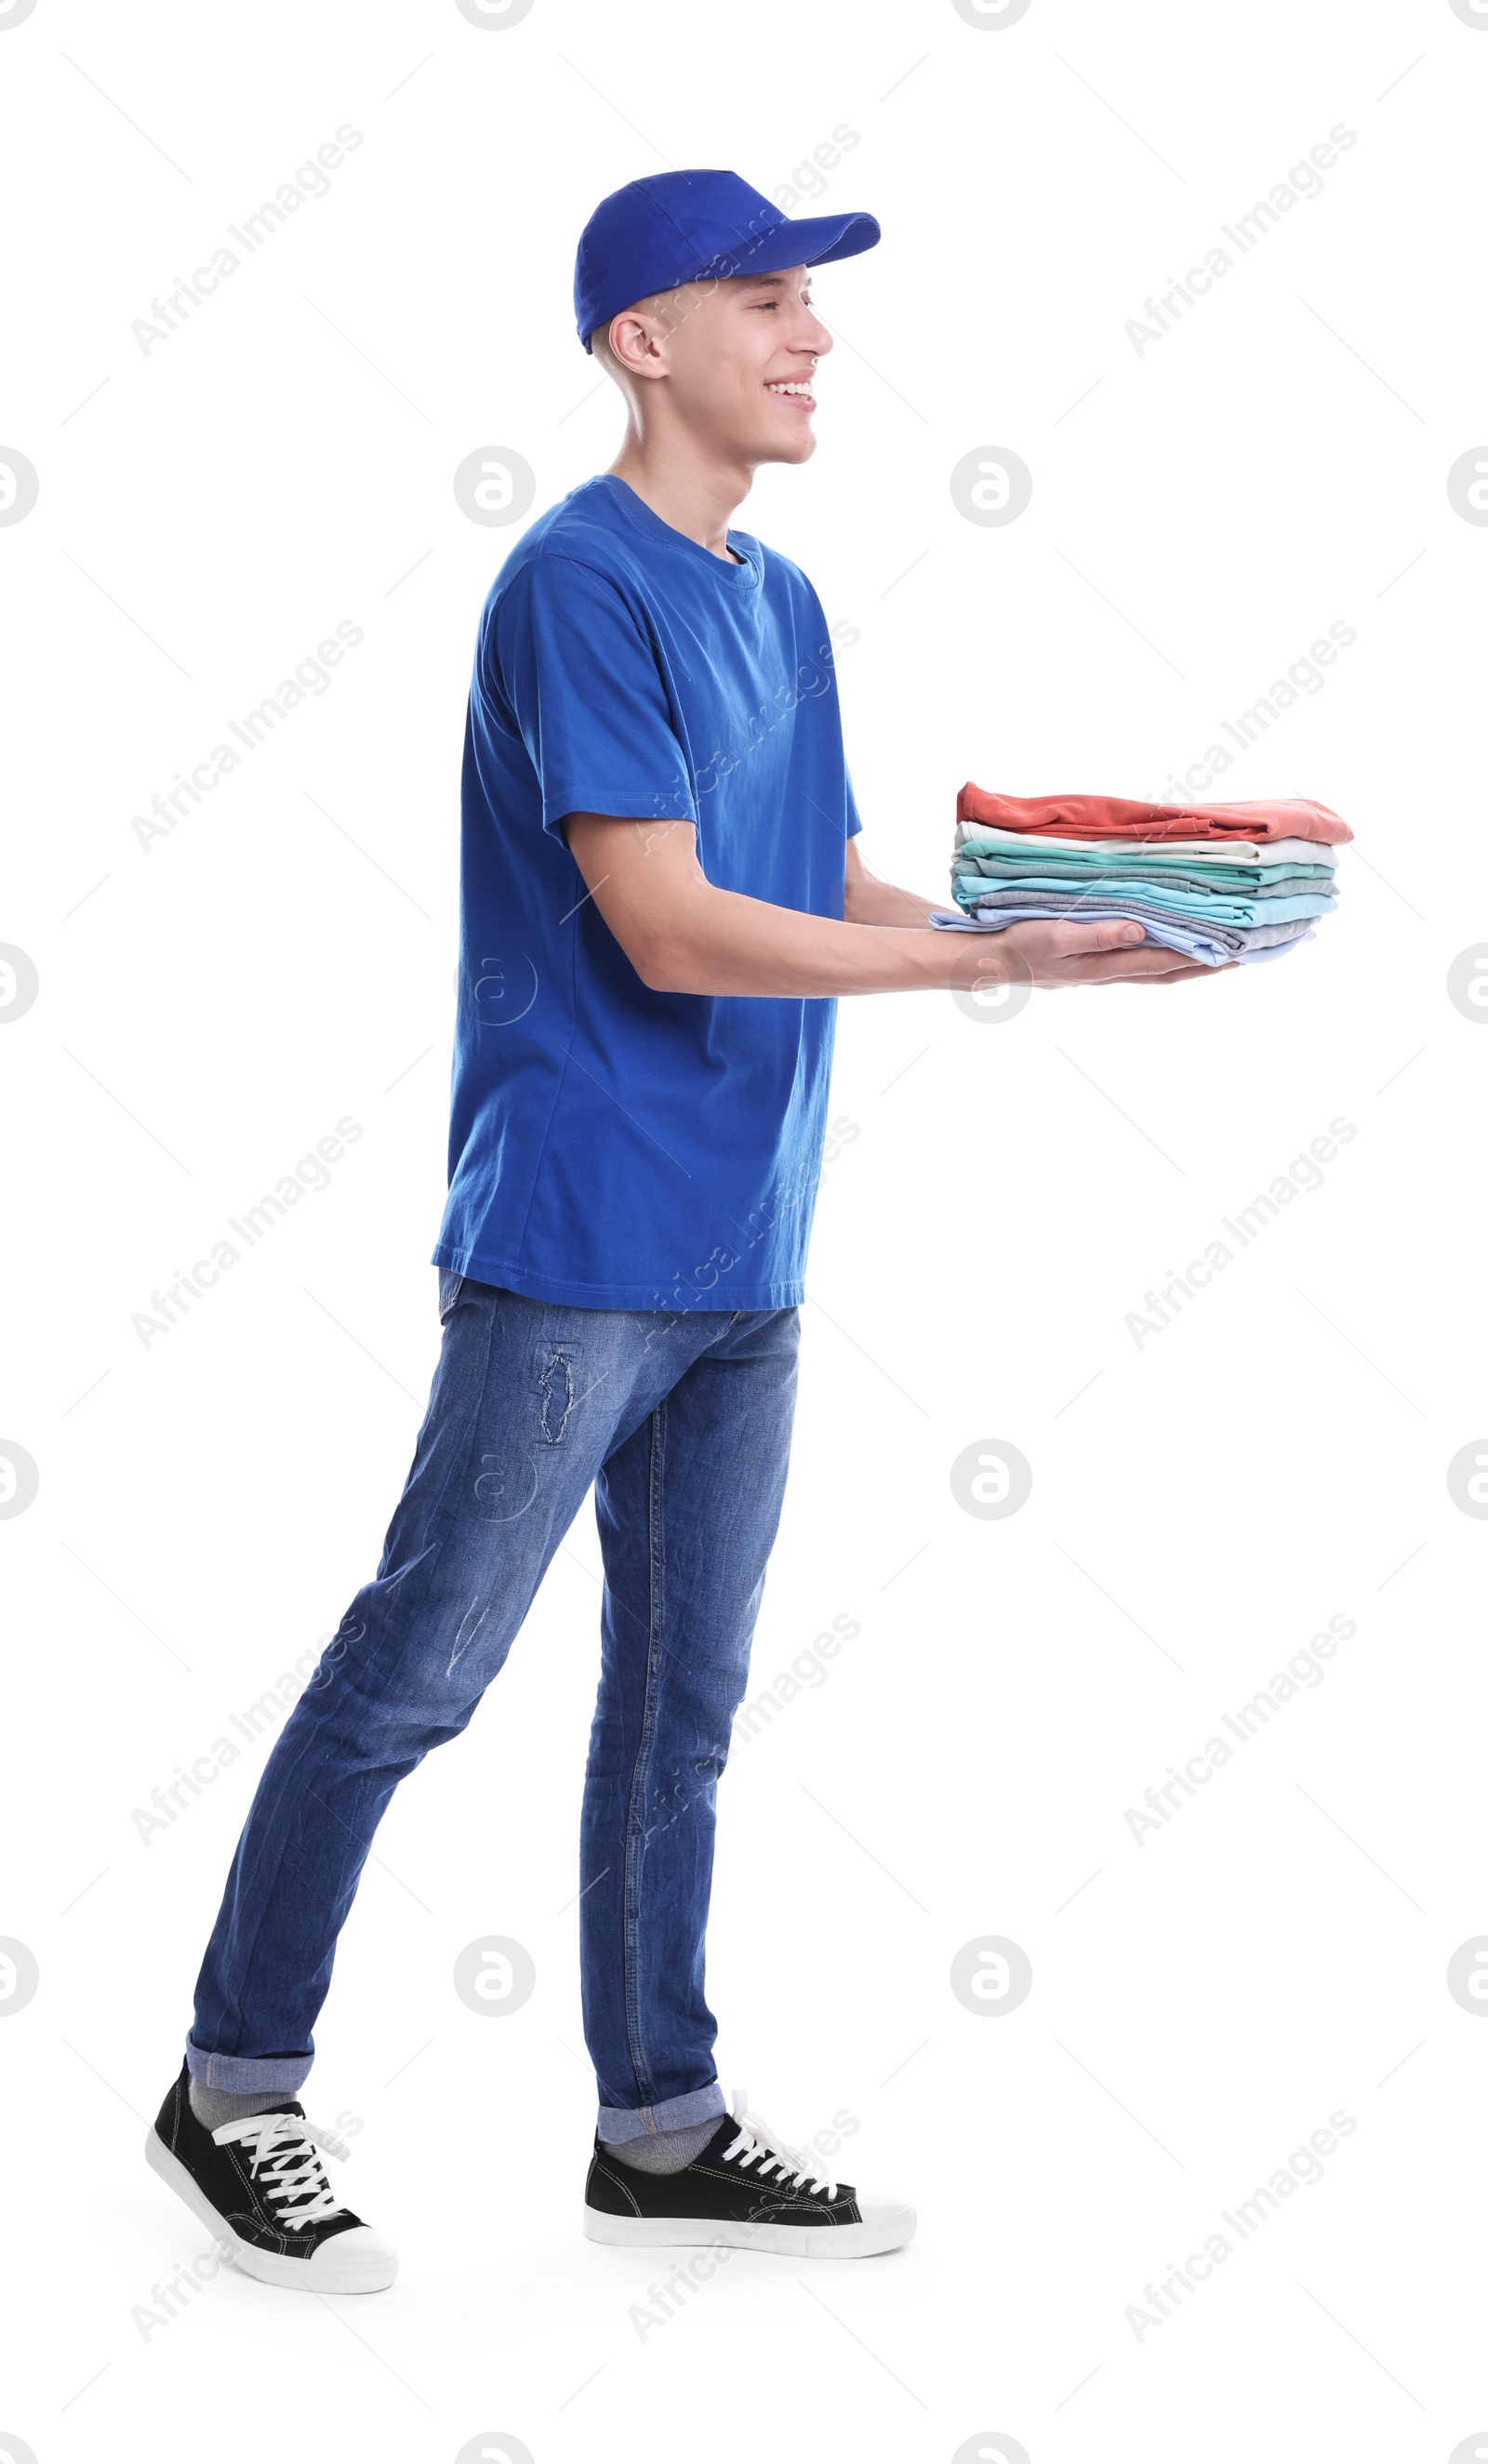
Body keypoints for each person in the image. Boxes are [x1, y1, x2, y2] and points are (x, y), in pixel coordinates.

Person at [145, 168, 1214, 2293]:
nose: (811, 338)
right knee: (416, 1671)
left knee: (680, 1708)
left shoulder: (780, 597)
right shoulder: (570, 583)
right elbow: (663, 918)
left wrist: (1044, 940)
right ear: (643, 341)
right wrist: (960, 976)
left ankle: (658, 2122)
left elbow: (804, 868)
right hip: (573, 1238)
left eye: (810, 304)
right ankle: (231, 2083)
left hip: (746, 1250)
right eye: (761, 301)